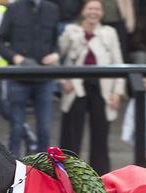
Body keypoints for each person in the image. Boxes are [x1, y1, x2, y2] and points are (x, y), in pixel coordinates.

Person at [58, 0, 125, 173]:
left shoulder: (109, 33)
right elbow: (58, 55)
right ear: (83, 11)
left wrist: (117, 92)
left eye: (97, 9)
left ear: (102, 13)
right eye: (90, 8)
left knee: (100, 136)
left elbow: (118, 62)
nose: (93, 12)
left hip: (102, 86)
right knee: (71, 135)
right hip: (76, 86)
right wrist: (63, 80)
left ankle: (101, 176)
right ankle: (68, 174)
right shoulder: (71, 31)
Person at [0, 0, 61, 156]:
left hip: (44, 77)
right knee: (16, 127)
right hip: (18, 77)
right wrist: (14, 57)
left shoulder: (52, 9)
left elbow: (55, 41)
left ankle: (43, 170)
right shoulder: (13, 9)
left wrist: (55, 54)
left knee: (44, 128)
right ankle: (13, 168)